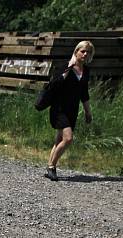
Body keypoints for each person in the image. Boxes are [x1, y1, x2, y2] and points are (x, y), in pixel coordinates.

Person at [45, 40, 94, 181]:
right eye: (82, 51)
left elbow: (84, 93)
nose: (85, 54)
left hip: (72, 110)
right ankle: (51, 167)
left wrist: (87, 111)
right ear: (76, 52)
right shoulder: (65, 66)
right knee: (68, 138)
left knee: (59, 140)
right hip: (59, 109)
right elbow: (54, 85)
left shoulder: (86, 71)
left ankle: (49, 166)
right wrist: (68, 69)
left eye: (88, 52)